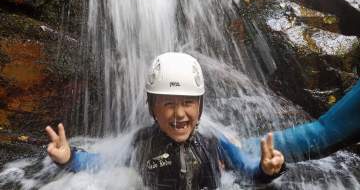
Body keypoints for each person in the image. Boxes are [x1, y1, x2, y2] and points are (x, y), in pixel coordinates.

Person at [46, 52, 285, 189]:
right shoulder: (142, 144)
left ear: (200, 106)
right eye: (169, 104)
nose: (179, 114)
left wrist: (266, 170)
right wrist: (70, 157)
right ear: (153, 108)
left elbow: (247, 172)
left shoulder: (214, 142)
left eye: (188, 103)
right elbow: (101, 163)